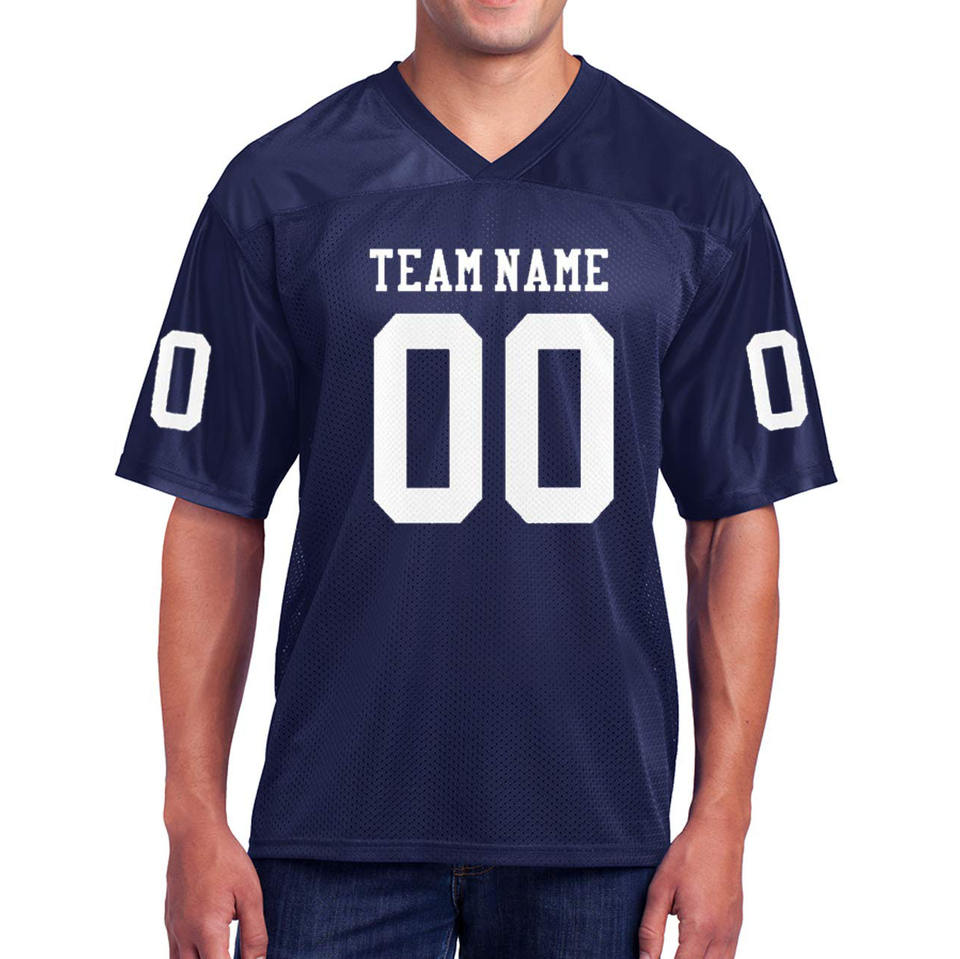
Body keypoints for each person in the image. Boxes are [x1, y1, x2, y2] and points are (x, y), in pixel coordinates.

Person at [117, 1, 835, 956]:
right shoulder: (279, 190)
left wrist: (725, 817)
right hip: (334, 826)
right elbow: (215, 508)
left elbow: (732, 520)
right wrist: (192, 815)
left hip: (601, 834)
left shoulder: (696, 193)